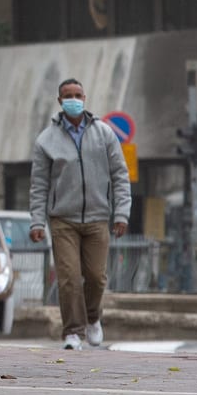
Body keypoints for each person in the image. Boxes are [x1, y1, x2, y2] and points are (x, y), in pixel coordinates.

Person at [29, 78, 131, 350]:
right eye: (67, 96)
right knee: (69, 277)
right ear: (60, 102)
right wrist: (37, 221)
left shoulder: (104, 133)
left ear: (85, 98)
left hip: (98, 217)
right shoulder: (46, 140)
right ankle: (72, 331)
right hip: (63, 219)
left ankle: (93, 318)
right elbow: (39, 185)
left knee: (97, 276)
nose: (73, 99)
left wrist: (121, 213)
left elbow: (120, 174)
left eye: (77, 95)